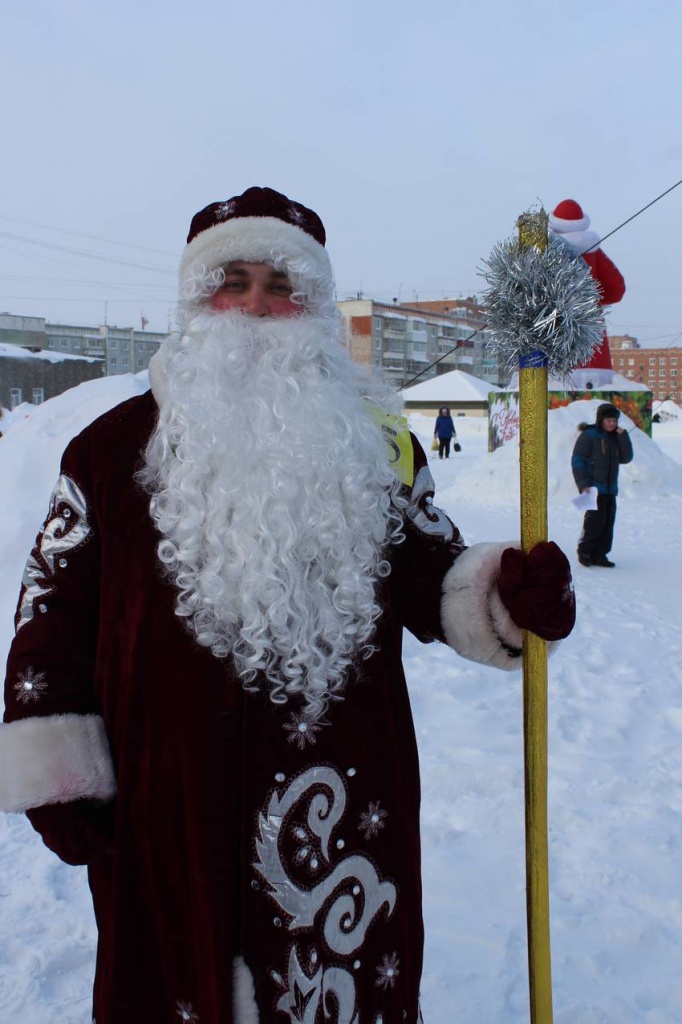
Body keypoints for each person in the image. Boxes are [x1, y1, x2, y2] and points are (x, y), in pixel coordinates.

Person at [0, 186, 576, 1024]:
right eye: (233, 280)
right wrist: (59, 769)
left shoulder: (379, 447)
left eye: (283, 283)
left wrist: (504, 594)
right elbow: (51, 613)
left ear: (315, 306)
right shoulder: (107, 449)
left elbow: (432, 568)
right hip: (164, 806)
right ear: (197, 300)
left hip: (340, 811)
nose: (257, 304)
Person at [549, 199, 625, 386]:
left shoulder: (546, 252)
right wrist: (594, 302)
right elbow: (617, 288)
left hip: (553, 333)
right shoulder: (593, 251)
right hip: (594, 345)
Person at [572, 402, 634, 568]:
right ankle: (585, 551)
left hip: (610, 489)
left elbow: (626, 458)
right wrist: (583, 483)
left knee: (607, 524)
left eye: (614, 420)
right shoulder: (589, 435)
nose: (612, 424)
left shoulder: (616, 437)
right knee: (594, 522)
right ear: (601, 420)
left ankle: (600, 554)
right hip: (594, 488)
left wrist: (623, 437)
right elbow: (578, 459)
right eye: (609, 420)